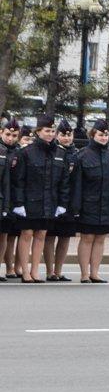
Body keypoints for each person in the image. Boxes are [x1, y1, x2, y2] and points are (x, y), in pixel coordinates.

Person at [10, 115, 71, 283]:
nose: (50, 134)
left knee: (41, 235)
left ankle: (35, 270)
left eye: (52, 131)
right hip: (30, 200)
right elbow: (19, 180)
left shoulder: (59, 153)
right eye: (47, 130)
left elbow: (64, 181)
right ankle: (25, 271)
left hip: (49, 201)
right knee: (27, 233)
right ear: (38, 131)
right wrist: (19, 203)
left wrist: (62, 204)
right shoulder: (26, 152)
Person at [71, 119, 109, 283]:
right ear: (92, 135)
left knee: (100, 239)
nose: (104, 138)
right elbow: (77, 185)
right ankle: (84, 274)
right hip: (88, 204)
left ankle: (95, 273)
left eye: (106, 135)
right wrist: (76, 207)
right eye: (100, 134)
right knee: (87, 238)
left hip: (108, 205)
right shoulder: (82, 156)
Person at [43, 119, 78, 281]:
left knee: (65, 237)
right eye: (63, 135)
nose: (66, 138)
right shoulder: (53, 152)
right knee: (50, 236)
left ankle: (58, 271)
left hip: (69, 203)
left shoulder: (76, 154)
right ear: (57, 136)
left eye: (69, 135)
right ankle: (50, 271)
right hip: (53, 201)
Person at [0, 118, 15, 281]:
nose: (10, 138)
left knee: (4, 236)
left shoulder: (17, 151)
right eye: (8, 134)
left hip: (7, 200)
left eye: (14, 135)